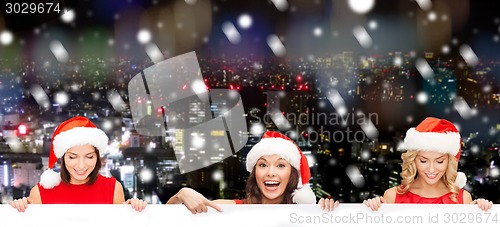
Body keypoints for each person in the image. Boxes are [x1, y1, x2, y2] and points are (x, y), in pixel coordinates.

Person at [167, 131, 339, 213]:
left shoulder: (306, 214)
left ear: (292, 175)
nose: (271, 172)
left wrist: (365, 210)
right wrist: (181, 195)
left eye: (280, 165)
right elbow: (164, 222)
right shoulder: (228, 209)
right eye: (263, 165)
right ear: (254, 173)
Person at [9, 116, 147, 212]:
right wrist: (18, 211)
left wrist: (133, 210)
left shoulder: (113, 189)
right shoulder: (40, 193)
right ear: (63, 158)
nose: (81, 165)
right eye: (73, 157)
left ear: (97, 158)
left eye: (89, 156)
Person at [364, 117, 493, 211]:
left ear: (449, 161)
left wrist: (481, 213)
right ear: (413, 159)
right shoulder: (392, 196)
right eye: (423, 160)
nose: (431, 169)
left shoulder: (463, 199)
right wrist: (371, 211)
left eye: (440, 161)